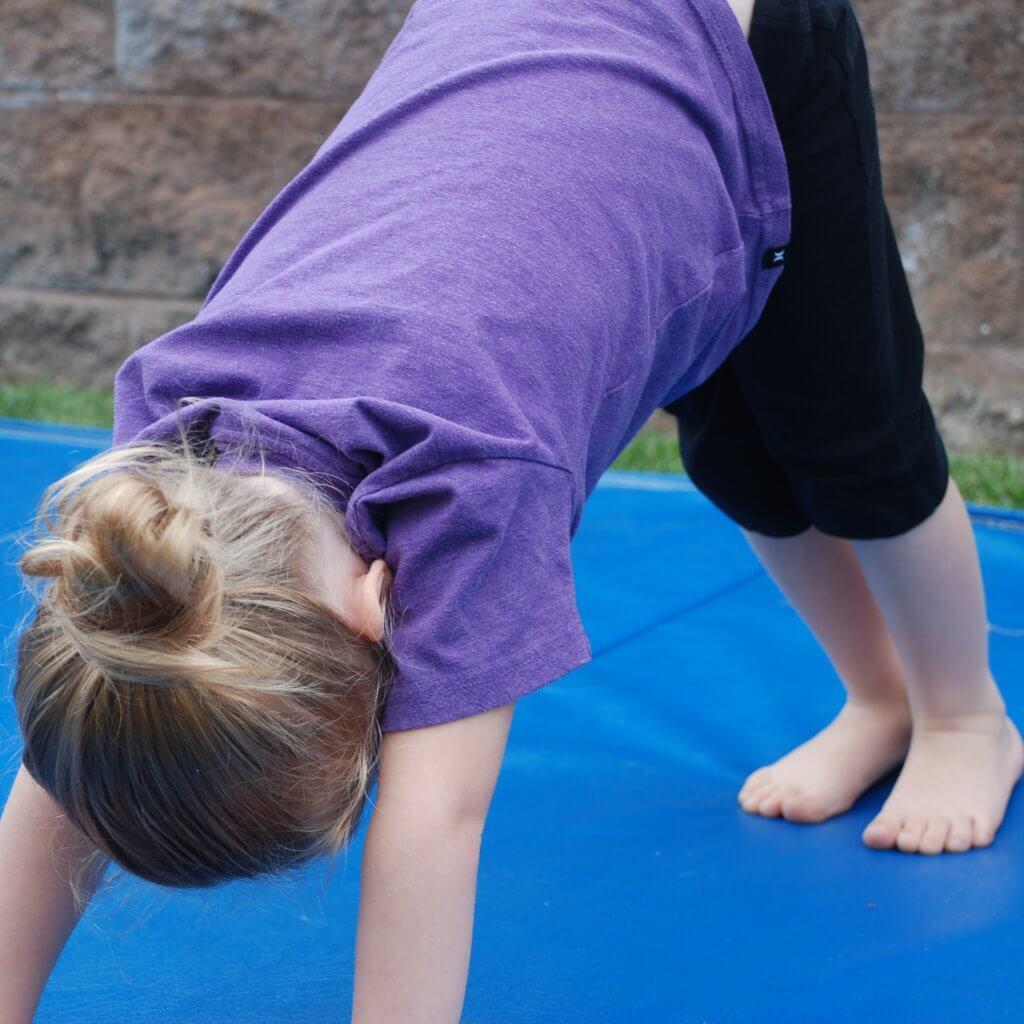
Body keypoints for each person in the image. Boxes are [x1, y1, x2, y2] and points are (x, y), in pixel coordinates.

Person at [0, 1, 1017, 1022]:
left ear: (381, 606)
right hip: (549, 80)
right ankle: (878, 702)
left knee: (853, 444)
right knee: (740, 456)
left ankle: (966, 716)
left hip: (738, 50)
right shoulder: (150, 502)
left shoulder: (469, 486)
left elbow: (436, 818)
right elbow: (78, 743)